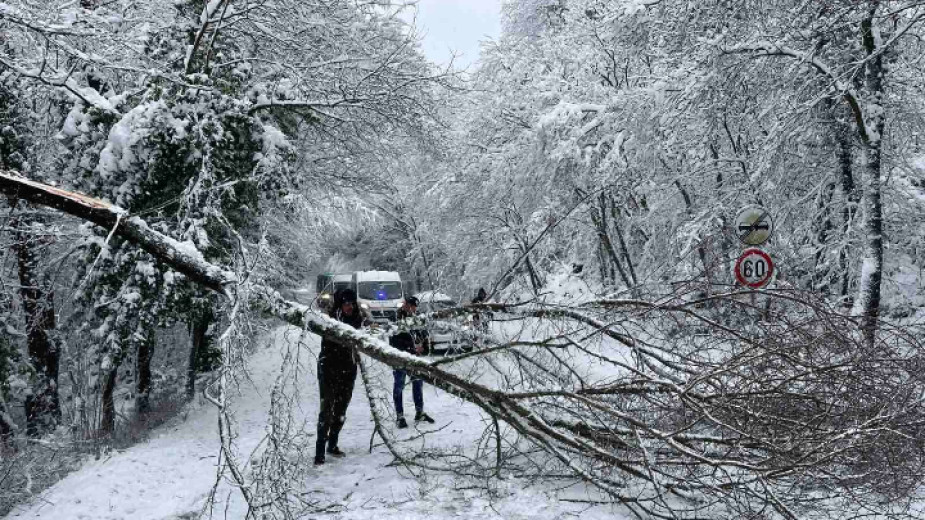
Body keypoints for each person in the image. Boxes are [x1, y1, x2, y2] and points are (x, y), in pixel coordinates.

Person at [315, 288, 363, 465]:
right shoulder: (330, 319)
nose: (349, 307)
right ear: (340, 304)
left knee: (341, 409)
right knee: (326, 409)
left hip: (348, 369)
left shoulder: (357, 319)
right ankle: (320, 451)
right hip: (329, 367)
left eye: (351, 304)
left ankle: (332, 444)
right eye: (346, 304)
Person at [390, 296, 435, 428]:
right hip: (399, 357)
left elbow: (424, 334)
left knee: (417, 382)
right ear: (406, 305)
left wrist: (424, 345)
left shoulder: (417, 318)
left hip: (414, 358)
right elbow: (394, 341)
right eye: (411, 307)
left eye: (415, 308)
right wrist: (410, 348)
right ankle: (400, 416)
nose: (413, 310)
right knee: (399, 385)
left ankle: (419, 412)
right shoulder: (397, 319)